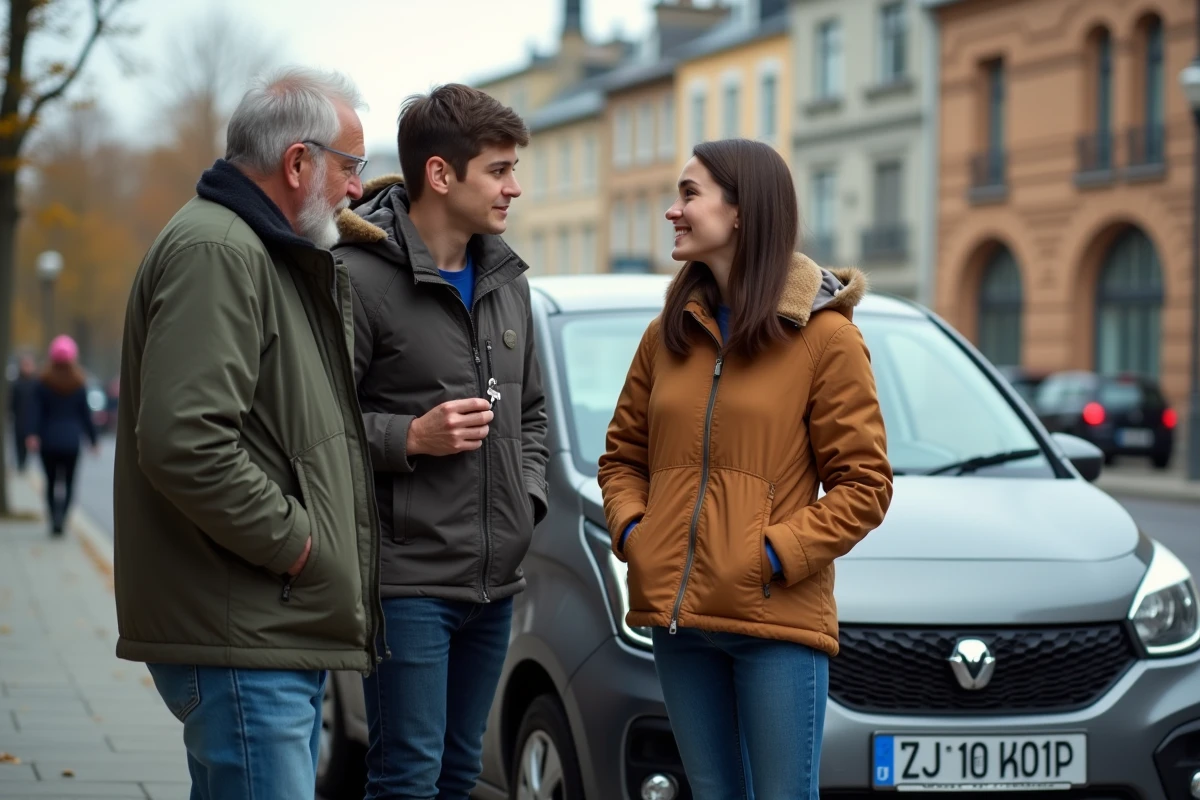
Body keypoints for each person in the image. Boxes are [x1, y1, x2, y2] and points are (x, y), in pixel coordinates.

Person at [112, 67, 382, 800]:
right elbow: (186, 442)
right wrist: (298, 545)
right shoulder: (222, 251)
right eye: (350, 166)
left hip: (259, 626)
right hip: (247, 631)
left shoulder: (254, 247)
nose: (358, 189)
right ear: (297, 163)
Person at [597, 138, 894, 799]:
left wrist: (770, 554)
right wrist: (638, 536)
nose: (673, 210)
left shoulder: (826, 338)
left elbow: (865, 485)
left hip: (775, 624)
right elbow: (622, 459)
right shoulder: (668, 334)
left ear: (741, 211)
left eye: (689, 194)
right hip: (681, 625)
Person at [334, 83, 549, 800]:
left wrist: (526, 505)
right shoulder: (357, 278)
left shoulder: (508, 280)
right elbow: (314, 427)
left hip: (494, 583)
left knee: (460, 776)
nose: (514, 187)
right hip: (407, 581)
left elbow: (533, 414)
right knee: (407, 779)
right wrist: (410, 437)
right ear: (440, 174)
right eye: (498, 170)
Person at [23, 336, 97, 534]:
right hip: (72, 441)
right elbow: (86, 415)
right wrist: (93, 440)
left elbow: (34, 412)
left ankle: (53, 517)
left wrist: (31, 434)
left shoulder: (43, 383)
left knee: (50, 481)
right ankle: (62, 517)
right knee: (70, 482)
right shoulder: (79, 383)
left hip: (48, 440)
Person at [10, 353, 38, 472]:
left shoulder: (36, 383)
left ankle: (24, 466)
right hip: (19, 419)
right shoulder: (16, 384)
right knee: (19, 444)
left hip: (32, 420)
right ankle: (21, 465)